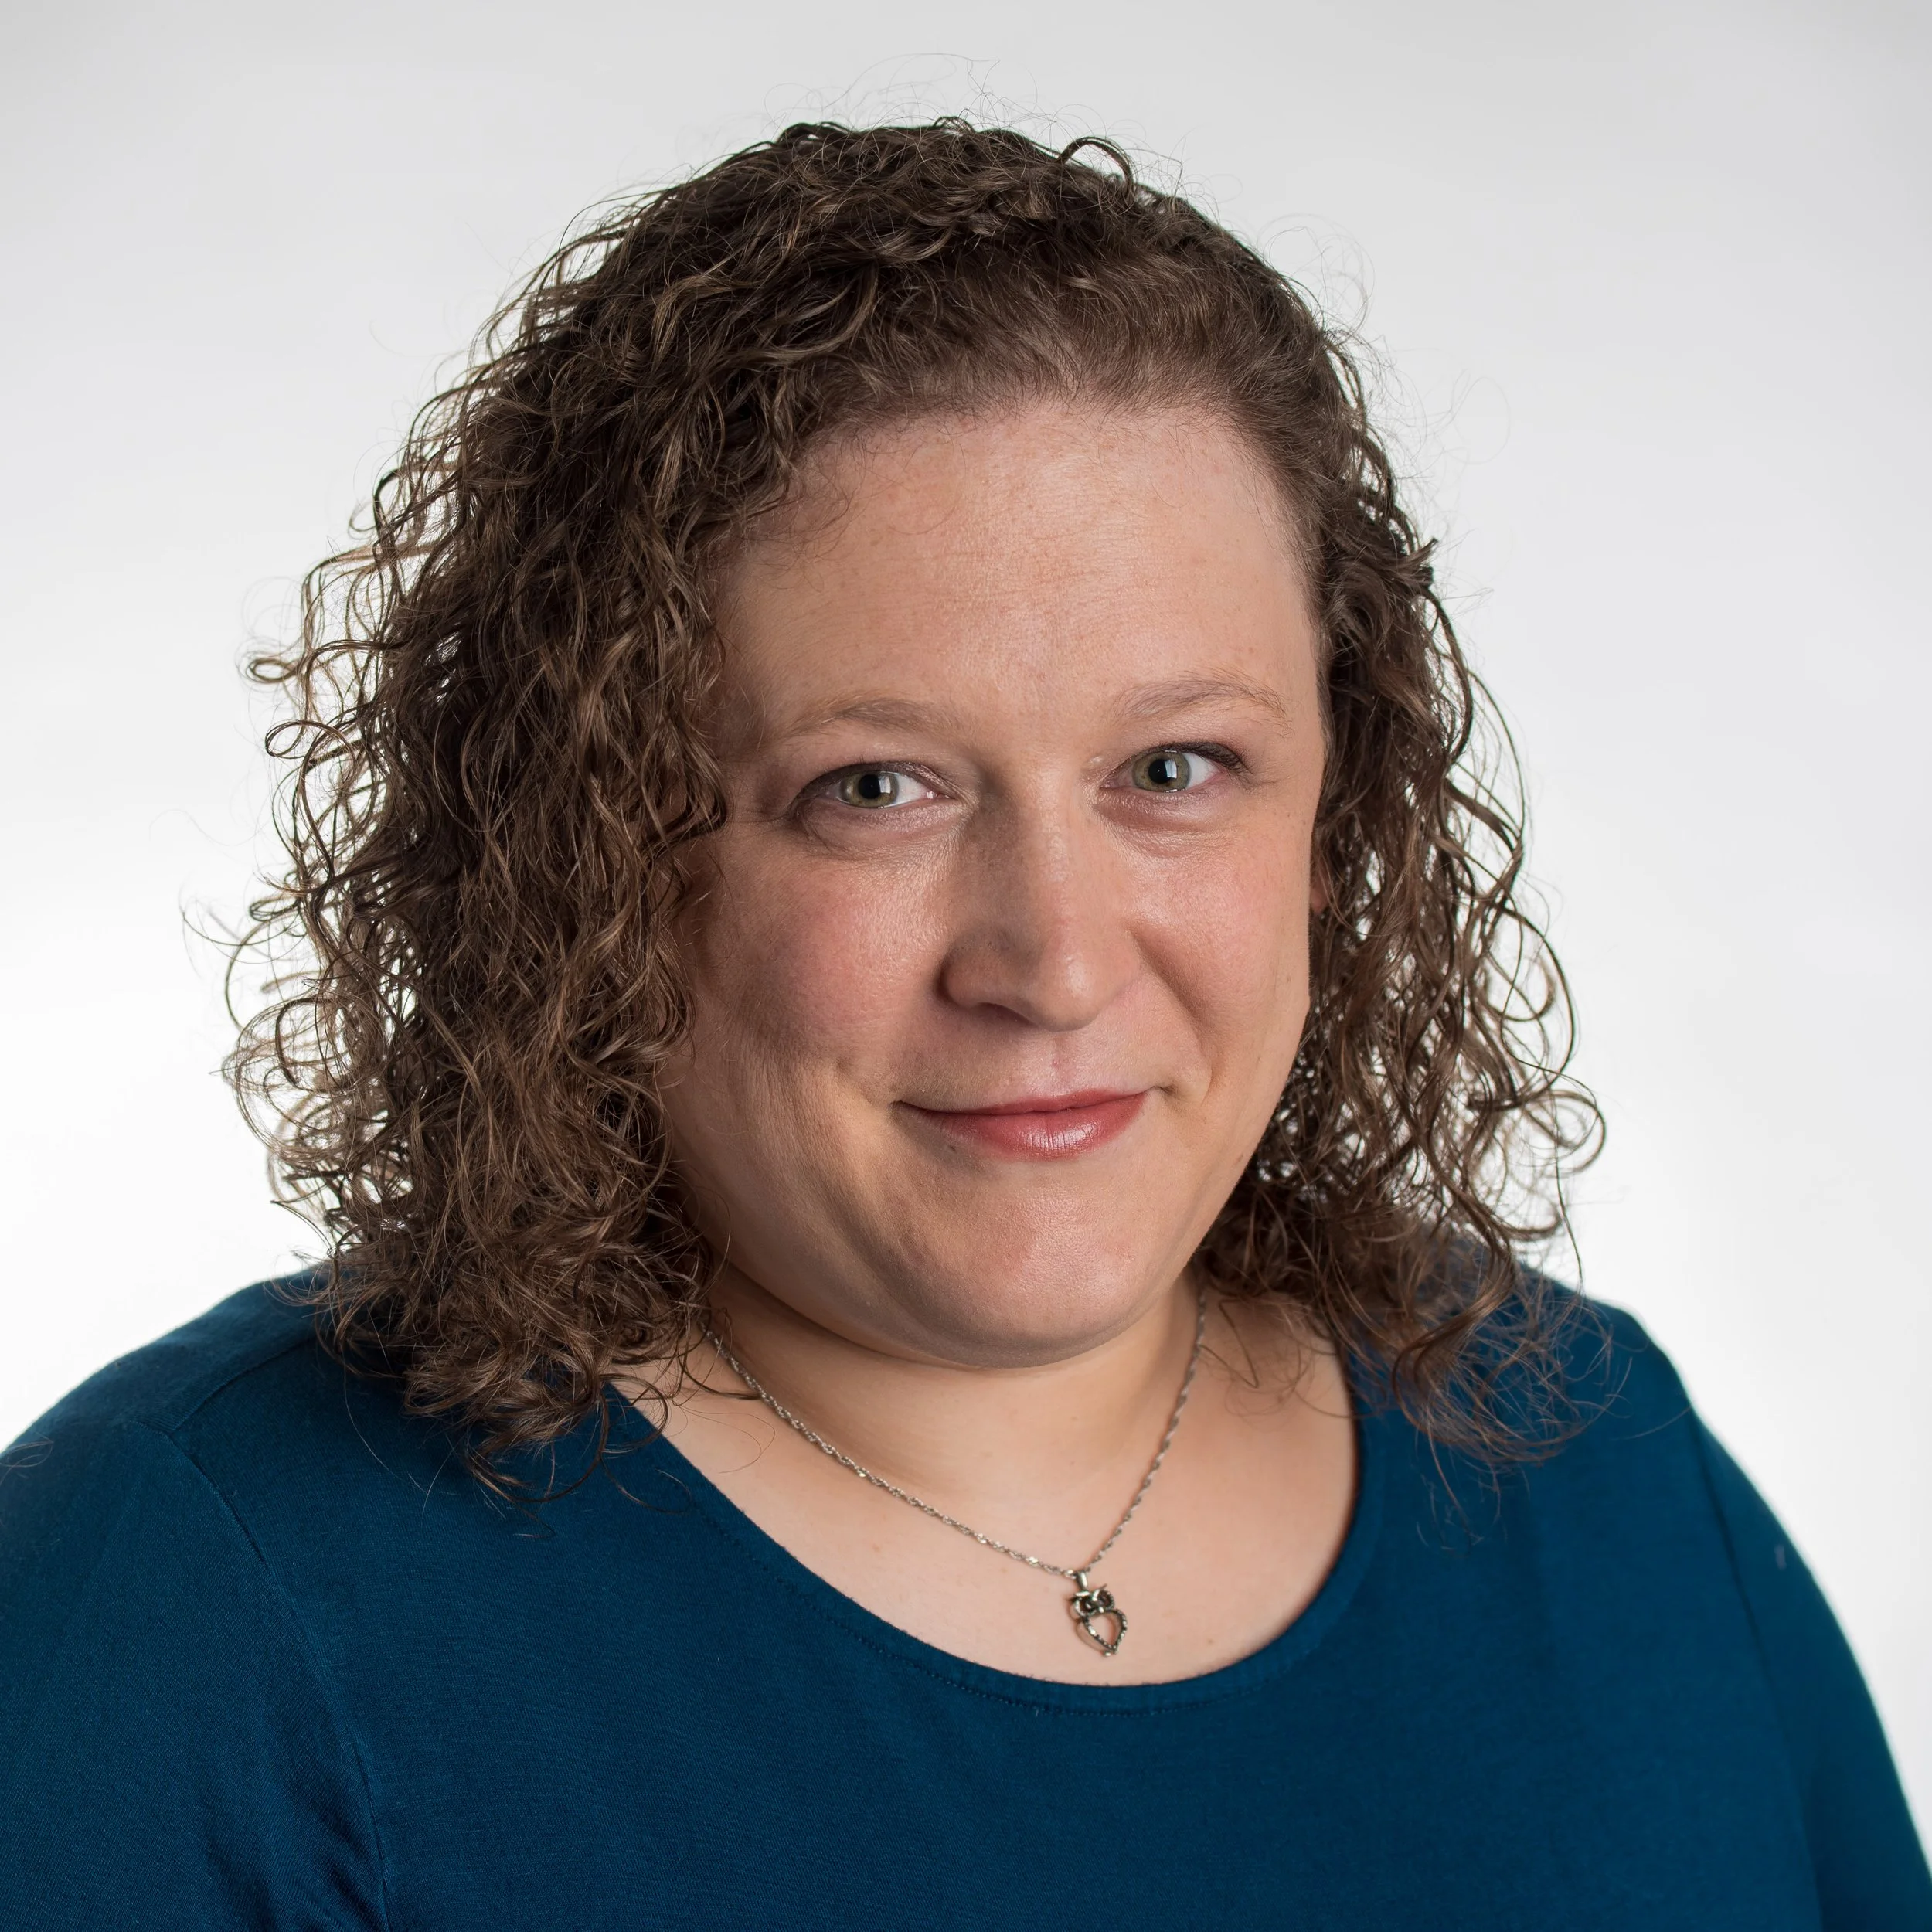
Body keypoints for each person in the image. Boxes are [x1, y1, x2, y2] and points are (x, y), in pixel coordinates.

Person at [0, 120, 1923, 1930]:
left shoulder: (1586, 1461)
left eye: (1176, 764)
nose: (1054, 960)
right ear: (579, 849)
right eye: (877, 787)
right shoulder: (189, 1601)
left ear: (1343, 808)